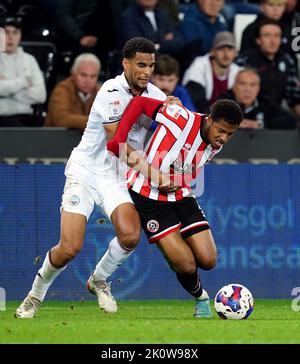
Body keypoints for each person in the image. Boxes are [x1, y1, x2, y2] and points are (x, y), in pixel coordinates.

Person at [15, 37, 174, 319]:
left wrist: (175, 111)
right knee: (70, 247)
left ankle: (99, 280)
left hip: (116, 178)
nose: (147, 71)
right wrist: (154, 174)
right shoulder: (110, 91)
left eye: (150, 65)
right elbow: (119, 144)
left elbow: (178, 127)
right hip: (86, 171)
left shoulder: (157, 96)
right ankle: (34, 297)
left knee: (130, 235)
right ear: (125, 63)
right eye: (141, 64)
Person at [106, 96, 243, 317]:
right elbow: (140, 103)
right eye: (221, 130)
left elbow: (187, 167)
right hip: (147, 197)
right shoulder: (181, 118)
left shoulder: (215, 144)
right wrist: (120, 139)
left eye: (230, 134)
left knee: (208, 260)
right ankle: (201, 299)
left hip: (180, 195)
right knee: (186, 264)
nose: (224, 138)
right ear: (209, 120)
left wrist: (178, 182)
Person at [236, 19, 300, 122]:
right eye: (267, 35)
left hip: (273, 112)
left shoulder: (287, 60)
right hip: (247, 111)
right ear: (258, 40)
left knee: (290, 122)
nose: (273, 41)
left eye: (276, 36)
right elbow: (235, 92)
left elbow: (293, 96)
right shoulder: (245, 60)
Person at [0, 16, 46, 127]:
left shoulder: (29, 60)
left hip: (27, 118)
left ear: (20, 36)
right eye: (6, 32)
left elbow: (41, 96)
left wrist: (7, 87)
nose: (10, 37)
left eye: (15, 32)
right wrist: (23, 82)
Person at [182, 31, 240, 113]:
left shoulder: (238, 72)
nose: (226, 54)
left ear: (235, 53)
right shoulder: (198, 67)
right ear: (213, 51)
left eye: (230, 49)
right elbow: (197, 103)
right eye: (221, 49)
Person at [219, 68, 297, 129]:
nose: (247, 89)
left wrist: (260, 124)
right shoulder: (223, 102)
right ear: (234, 87)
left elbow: (290, 121)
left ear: (258, 88)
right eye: (242, 84)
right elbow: (210, 118)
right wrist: (232, 123)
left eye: (252, 85)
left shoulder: (264, 102)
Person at [45, 53, 101, 131]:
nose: (88, 81)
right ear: (73, 73)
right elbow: (61, 119)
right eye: (83, 75)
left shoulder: (101, 92)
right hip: (56, 139)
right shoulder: (62, 89)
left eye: (93, 76)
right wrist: (97, 122)